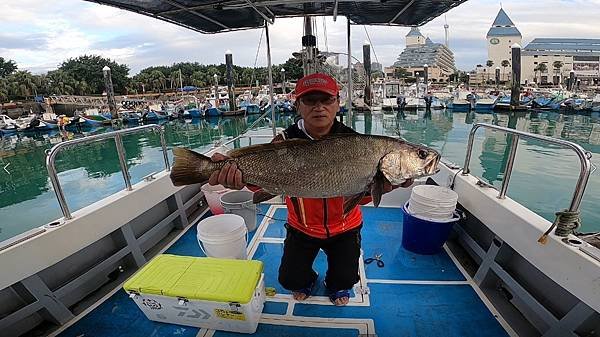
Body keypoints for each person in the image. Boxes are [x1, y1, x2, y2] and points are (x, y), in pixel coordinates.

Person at [208, 73, 413, 306]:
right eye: (310, 100)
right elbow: (262, 180)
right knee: (290, 279)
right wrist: (239, 179)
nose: (319, 107)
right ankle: (306, 281)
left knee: (346, 280)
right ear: (297, 105)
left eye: (326, 100)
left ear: (337, 102)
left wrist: (381, 188)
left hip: (345, 227)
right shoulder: (284, 141)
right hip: (301, 227)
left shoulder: (358, 144)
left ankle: (335, 285)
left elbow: (359, 196)